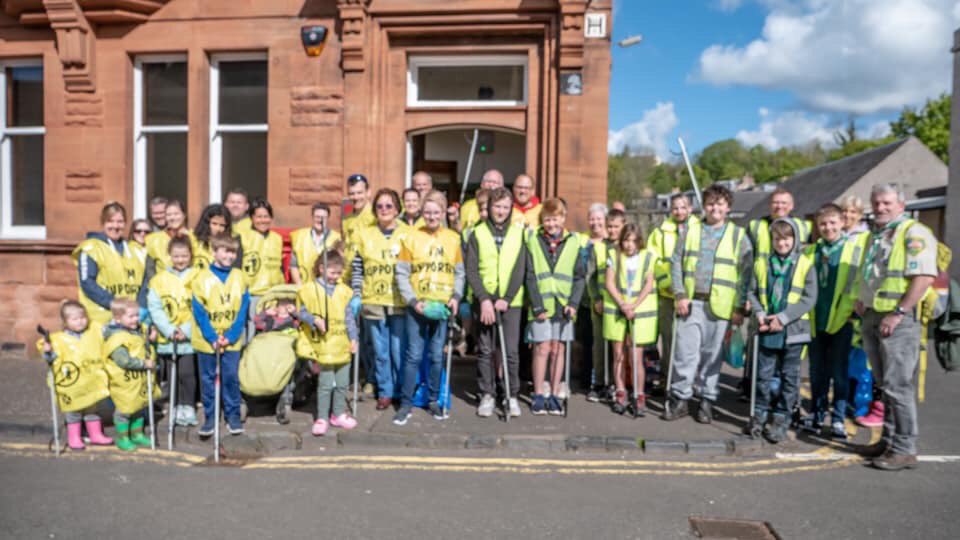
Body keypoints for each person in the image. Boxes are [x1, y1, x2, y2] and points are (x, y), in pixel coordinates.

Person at [856, 184, 937, 471]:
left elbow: (924, 277)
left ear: (901, 206)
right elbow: (872, 274)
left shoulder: (914, 233)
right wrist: (861, 299)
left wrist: (899, 312)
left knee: (898, 386)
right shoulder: (876, 235)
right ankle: (888, 441)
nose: (880, 207)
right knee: (885, 385)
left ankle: (904, 449)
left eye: (887, 203)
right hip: (874, 316)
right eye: (876, 202)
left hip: (898, 320)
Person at [663, 184, 752, 423]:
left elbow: (746, 273)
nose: (714, 208)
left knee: (712, 357)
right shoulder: (690, 231)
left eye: (720, 204)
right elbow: (676, 262)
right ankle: (681, 398)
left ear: (728, 207)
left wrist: (739, 306)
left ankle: (706, 400)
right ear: (704, 206)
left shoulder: (738, 235)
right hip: (691, 302)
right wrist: (680, 294)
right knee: (685, 354)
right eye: (710, 203)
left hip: (721, 307)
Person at [393, 191, 465, 425]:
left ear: (443, 213)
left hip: (441, 307)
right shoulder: (411, 237)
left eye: (436, 212)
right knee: (413, 355)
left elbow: (459, 273)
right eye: (427, 212)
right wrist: (413, 301)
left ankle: (434, 400)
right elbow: (402, 273)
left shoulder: (453, 239)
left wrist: (456, 297)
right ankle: (405, 404)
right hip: (418, 306)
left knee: (436, 356)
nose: (431, 216)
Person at [745, 220, 817, 443]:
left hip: (793, 330)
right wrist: (759, 313)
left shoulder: (805, 264)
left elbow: (809, 299)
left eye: (786, 239)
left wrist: (783, 318)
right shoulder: (761, 264)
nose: (782, 243)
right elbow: (752, 292)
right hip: (767, 328)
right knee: (762, 377)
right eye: (777, 239)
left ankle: (782, 418)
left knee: (789, 378)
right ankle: (759, 414)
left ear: (795, 240)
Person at [801, 204, 867, 439]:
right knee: (817, 372)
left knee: (839, 373)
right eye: (823, 224)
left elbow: (857, 285)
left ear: (841, 223)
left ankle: (838, 418)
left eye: (832, 223)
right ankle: (817, 414)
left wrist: (852, 312)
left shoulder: (854, 251)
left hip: (842, 321)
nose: (828, 228)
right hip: (815, 320)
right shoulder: (810, 252)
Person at [465, 187, 529, 418]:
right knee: (485, 350)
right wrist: (484, 299)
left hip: (510, 302)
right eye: (497, 206)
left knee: (510, 352)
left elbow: (520, 269)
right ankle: (487, 394)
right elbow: (472, 270)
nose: (501, 211)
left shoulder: (518, 233)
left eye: (505, 207)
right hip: (485, 300)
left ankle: (511, 395)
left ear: (511, 209)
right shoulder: (477, 233)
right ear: (489, 207)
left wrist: (507, 298)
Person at [351, 188, 412, 410]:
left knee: (398, 349)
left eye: (388, 206)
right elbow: (357, 267)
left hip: (399, 301)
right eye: (379, 206)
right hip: (373, 299)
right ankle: (385, 390)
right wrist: (357, 293)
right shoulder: (364, 234)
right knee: (380, 350)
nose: (384, 210)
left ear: (397, 209)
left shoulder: (408, 234)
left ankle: (400, 389)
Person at [524, 198, 585, 416]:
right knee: (542, 348)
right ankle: (539, 394)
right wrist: (536, 305)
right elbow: (530, 275)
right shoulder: (533, 240)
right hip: (541, 304)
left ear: (563, 218)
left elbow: (579, 277)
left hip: (564, 304)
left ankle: (555, 392)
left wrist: (573, 303)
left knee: (558, 349)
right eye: (547, 219)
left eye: (556, 219)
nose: (551, 224)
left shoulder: (574, 241)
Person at [191, 234, 249, 436]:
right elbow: (199, 312)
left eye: (233, 252)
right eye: (225, 251)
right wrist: (213, 338)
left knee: (231, 377)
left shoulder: (240, 277)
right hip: (208, 340)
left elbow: (243, 309)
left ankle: (233, 415)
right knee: (208, 380)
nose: (230, 256)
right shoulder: (201, 279)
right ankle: (210, 417)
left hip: (231, 339)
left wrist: (231, 336)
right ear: (214, 252)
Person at [296, 251, 359, 435]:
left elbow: (349, 319)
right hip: (323, 346)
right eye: (332, 273)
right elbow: (300, 312)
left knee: (342, 383)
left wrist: (353, 338)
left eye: (339, 273)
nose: (336, 277)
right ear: (322, 269)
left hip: (342, 344)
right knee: (325, 384)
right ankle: (322, 417)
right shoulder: (309, 290)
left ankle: (338, 414)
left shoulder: (344, 291)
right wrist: (314, 320)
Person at [38, 301, 113, 450]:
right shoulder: (58, 340)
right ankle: (74, 438)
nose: (80, 321)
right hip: (72, 386)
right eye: (75, 319)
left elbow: (107, 333)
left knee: (92, 411)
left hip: (90, 383)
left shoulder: (93, 332)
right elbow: (51, 360)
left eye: (83, 317)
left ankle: (95, 434)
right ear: (65, 322)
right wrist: (48, 351)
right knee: (73, 413)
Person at [647, 193, 699, 391]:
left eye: (683, 207)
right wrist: (665, 282)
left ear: (690, 209)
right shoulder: (660, 232)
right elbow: (653, 260)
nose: (679, 211)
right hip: (667, 295)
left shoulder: (700, 229)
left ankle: (687, 381)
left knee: (690, 342)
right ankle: (666, 379)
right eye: (675, 208)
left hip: (692, 295)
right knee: (668, 340)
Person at [603, 223, 657, 416]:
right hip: (618, 310)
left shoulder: (648, 257)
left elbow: (648, 284)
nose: (629, 245)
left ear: (639, 241)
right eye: (626, 240)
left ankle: (639, 394)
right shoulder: (613, 255)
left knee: (636, 356)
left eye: (634, 241)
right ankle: (620, 392)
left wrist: (633, 305)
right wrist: (622, 304)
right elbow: (609, 283)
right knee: (618, 354)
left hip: (638, 312)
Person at [146, 236, 199, 427]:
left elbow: (201, 306)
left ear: (190, 255)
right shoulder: (159, 280)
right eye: (176, 256)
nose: (180, 260)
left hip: (188, 336)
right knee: (172, 374)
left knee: (187, 374)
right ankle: (175, 405)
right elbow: (155, 307)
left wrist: (186, 329)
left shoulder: (198, 277)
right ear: (169, 256)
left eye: (184, 256)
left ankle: (188, 405)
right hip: (168, 337)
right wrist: (168, 329)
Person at [73, 202, 147, 324]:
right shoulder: (91, 248)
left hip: (132, 320)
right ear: (103, 223)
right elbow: (87, 283)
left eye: (120, 221)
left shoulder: (135, 250)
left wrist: (140, 306)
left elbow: (145, 281)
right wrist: (115, 305)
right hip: (102, 321)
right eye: (110, 221)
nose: (115, 226)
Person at [102, 298, 159, 451]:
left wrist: (151, 339)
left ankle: (137, 434)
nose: (136, 319)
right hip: (124, 382)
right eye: (131, 316)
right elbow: (124, 361)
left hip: (138, 380)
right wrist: (143, 364)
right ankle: (123, 438)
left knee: (139, 406)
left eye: (137, 315)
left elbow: (142, 346)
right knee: (124, 409)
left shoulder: (137, 330)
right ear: (118, 318)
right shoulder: (117, 338)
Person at [585, 208, 626, 402]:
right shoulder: (599, 248)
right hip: (602, 304)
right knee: (600, 346)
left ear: (624, 226)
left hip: (623, 305)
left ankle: (618, 384)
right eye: (609, 226)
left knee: (619, 347)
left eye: (616, 226)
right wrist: (596, 299)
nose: (612, 230)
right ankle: (599, 384)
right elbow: (590, 277)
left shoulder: (629, 247)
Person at [239, 198, 284, 338]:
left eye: (266, 216)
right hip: (251, 295)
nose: (263, 220)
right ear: (252, 218)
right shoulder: (243, 237)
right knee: (251, 334)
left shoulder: (277, 239)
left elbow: (281, 267)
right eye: (259, 216)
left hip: (273, 296)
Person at [576, 203, 607, 396]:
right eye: (592, 219)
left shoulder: (610, 242)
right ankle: (586, 379)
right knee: (586, 343)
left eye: (599, 219)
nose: (595, 223)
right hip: (585, 301)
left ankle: (603, 381)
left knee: (603, 344)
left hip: (605, 301)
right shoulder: (582, 242)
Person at [290, 203, 342, 285]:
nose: (320, 220)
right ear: (312, 217)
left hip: (328, 287)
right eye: (317, 217)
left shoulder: (337, 238)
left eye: (324, 217)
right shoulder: (299, 236)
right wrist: (299, 285)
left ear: (328, 218)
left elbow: (340, 266)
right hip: (304, 285)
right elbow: (293, 265)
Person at [144, 199, 194, 278]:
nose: (172, 218)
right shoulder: (154, 239)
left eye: (176, 214)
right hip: (162, 283)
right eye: (169, 215)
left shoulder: (194, 238)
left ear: (184, 215)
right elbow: (150, 269)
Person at [193, 204, 234, 271]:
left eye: (222, 225)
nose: (218, 228)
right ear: (206, 223)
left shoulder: (231, 243)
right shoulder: (192, 238)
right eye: (214, 224)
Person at [342, 174, 376, 252]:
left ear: (368, 192)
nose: (356, 197)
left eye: (359, 193)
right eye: (351, 194)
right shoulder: (347, 215)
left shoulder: (376, 215)